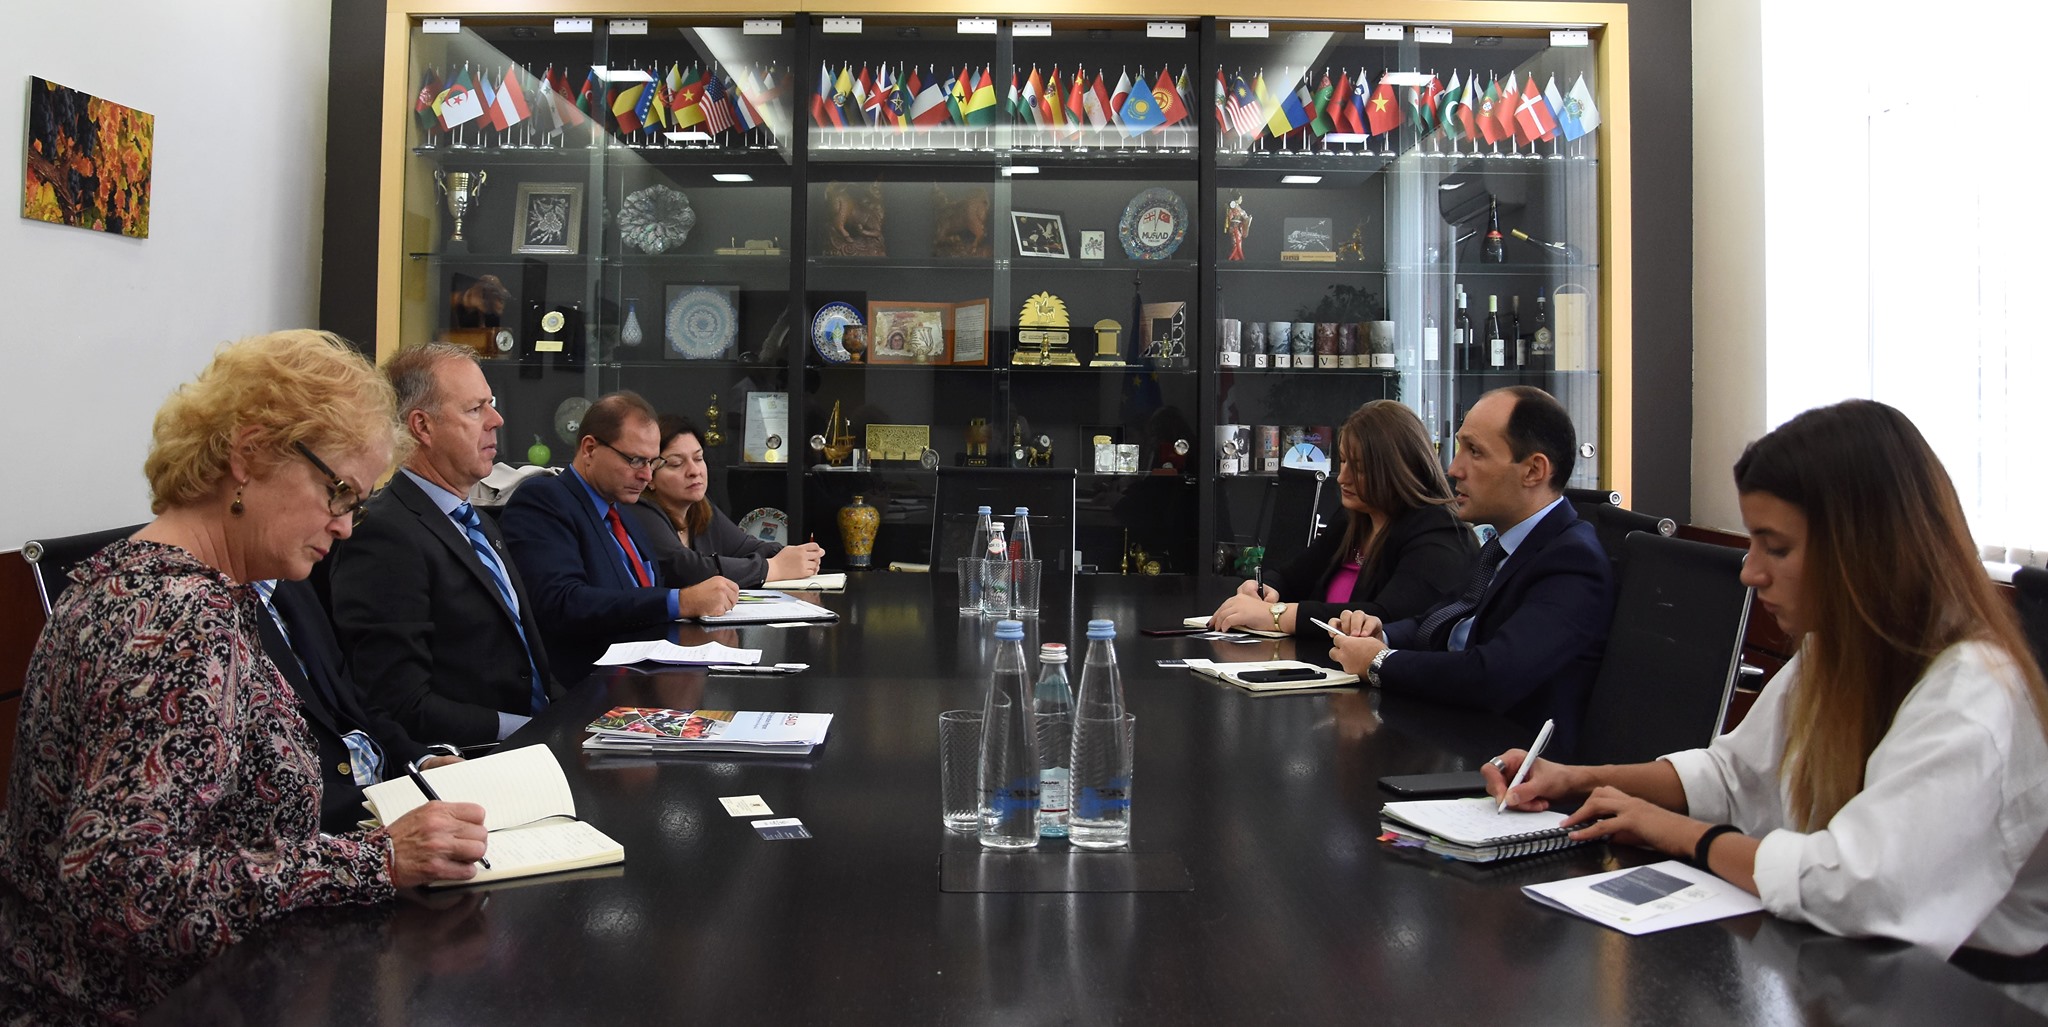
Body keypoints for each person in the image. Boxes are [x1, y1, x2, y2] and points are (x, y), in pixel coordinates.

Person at [0, 331, 487, 1023]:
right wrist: (375, 862)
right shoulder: (179, 620)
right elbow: (122, 885)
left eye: (357, 504)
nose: (346, 526)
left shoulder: (135, 579)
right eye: (339, 492)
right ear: (250, 454)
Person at [1485, 399, 2048, 964]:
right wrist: (1577, 779)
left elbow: (1857, 887)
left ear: (1866, 550)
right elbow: (1735, 775)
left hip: (1960, 989)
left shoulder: (1975, 691)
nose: (1750, 572)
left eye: (1776, 548)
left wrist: (1682, 834)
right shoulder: (1839, 648)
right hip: (1845, 963)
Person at [1326, 386, 1612, 757]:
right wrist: (1381, 633)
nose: (1454, 469)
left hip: (1508, 765)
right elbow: (1441, 620)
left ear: (1533, 470)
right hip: (1452, 735)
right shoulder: (1502, 546)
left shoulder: (1572, 562)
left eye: (1474, 451)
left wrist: (1379, 661)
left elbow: (1494, 674)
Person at [329, 343, 561, 747]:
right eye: (475, 409)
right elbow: (398, 703)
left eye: (490, 405)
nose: (496, 420)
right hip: (470, 761)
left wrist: (574, 717)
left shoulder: (479, 521)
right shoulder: (384, 534)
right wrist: (532, 731)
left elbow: (525, 661)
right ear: (422, 427)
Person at [500, 391, 740, 681]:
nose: (647, 476)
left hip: (649, 679)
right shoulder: (544, 500)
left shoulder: (624, 511)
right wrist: (680, 601)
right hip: (589, 688)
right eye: (635, 460)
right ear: (589, 449)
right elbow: (562, 603)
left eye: (652, 463)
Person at [1209, 400, 1477, 636]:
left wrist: (1276, 616)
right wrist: (1264, 589)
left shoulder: (1440, 536)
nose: (1343, 478)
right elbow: (1291, 577)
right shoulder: (1353, 518)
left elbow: (1384, 618)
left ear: (1397, 470)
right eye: (1344, 462)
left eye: (1359, 468)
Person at [255, 575, 462, 835]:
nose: (342, 535)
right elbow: (260, 798)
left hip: (390, 799)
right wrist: (400, 801)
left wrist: (422, 762)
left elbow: (350, 704)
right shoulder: (215, 619)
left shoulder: (291, 584)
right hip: (342, 829)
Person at [625, 413, 824, 589]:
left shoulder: (699, 507)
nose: (694, 471)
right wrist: (773, 568)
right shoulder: (640, 510)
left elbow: (747, 547)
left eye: (699, 458)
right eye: (677, 463)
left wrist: (793, 555)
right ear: (649, 476)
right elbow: (688, 569)